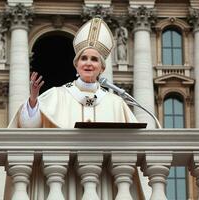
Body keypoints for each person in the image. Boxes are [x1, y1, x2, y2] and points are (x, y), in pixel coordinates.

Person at [9, 18, 137, 128]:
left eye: (94, 59)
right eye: (83, 58)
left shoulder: (116, 103)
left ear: (102, 68)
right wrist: (33, 99)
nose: (88, 63)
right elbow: (28, 126)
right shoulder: (57, 95)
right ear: (76, 65)